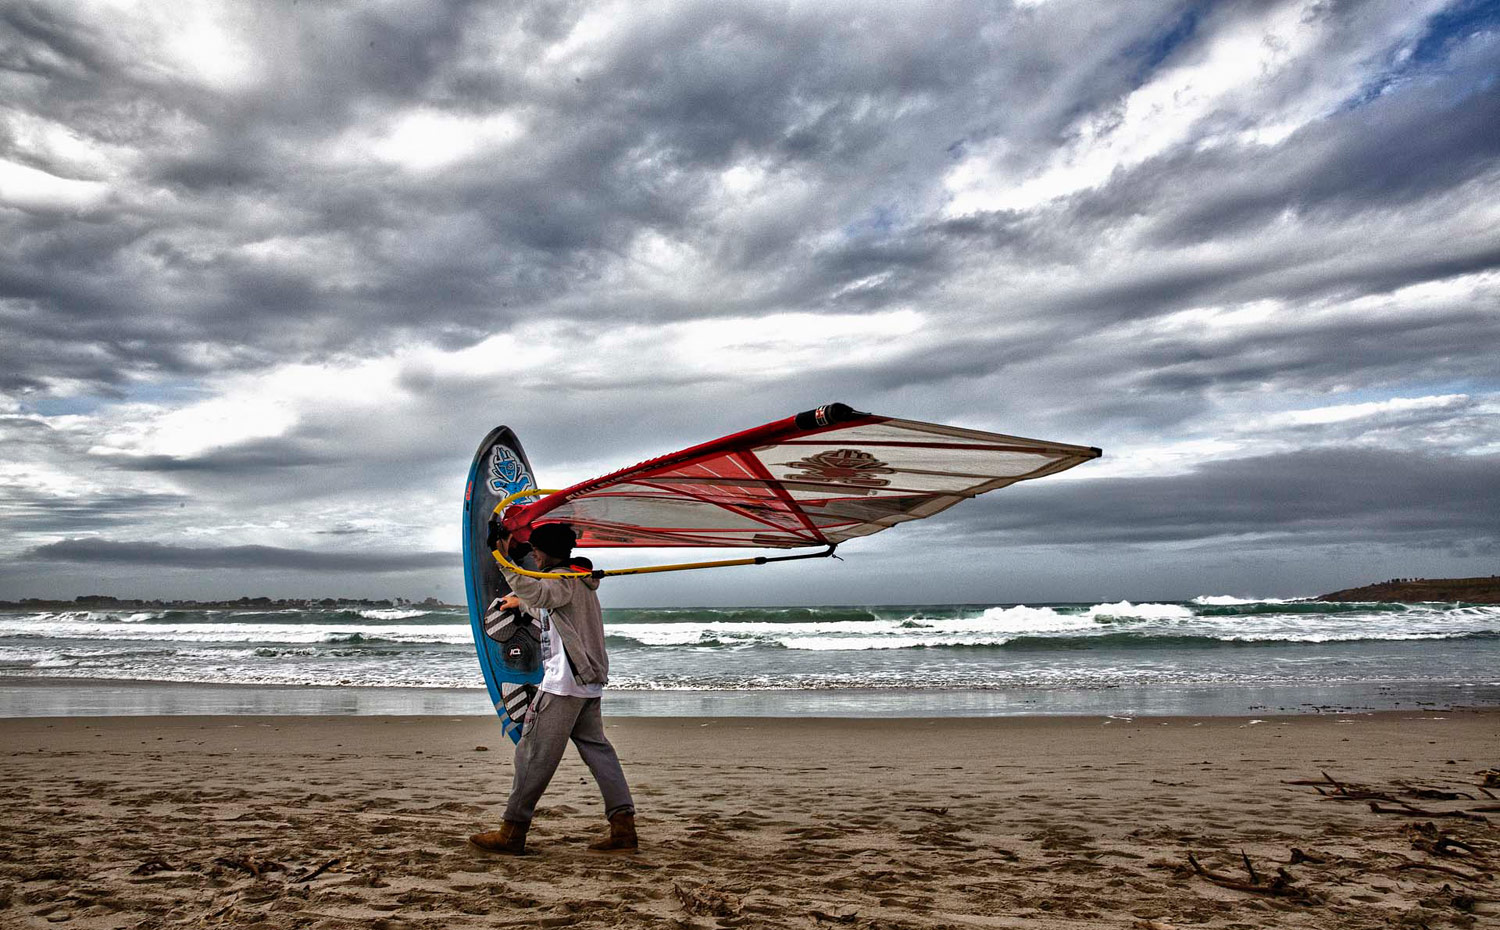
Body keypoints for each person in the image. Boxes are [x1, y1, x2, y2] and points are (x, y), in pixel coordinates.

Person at [469, 522, 637, 855]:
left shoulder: (562, 580)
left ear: (543, 552)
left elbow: (544, 593)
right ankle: (623, 828)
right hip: (587, 684)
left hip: (564, 684)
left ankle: (512, 831)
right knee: (599, 751)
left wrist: (502, 558)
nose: (533, 554)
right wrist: (520, 602)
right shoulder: (577, 584)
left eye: (534, 550)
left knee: (532, 755)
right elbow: (548, 607)